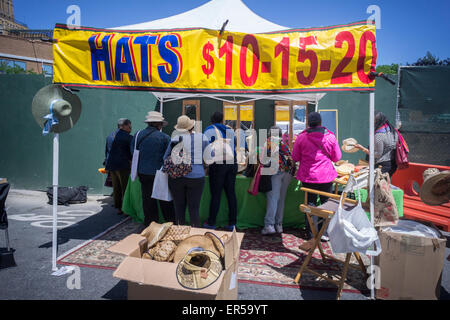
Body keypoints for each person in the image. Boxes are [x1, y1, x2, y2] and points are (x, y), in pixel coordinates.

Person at [292, 112, 341, 251]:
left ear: (308, 123)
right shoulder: (330, 137)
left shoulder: (301, 137)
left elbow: (295, 157)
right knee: (327, 204)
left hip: (308, 176)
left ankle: (311, 233)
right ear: (320, 123)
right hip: (326, 176)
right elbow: (337, 157)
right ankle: (324, 233)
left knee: (310, 204)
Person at [131, 111, 175, 226]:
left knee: (147, 199)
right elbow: (169, 156)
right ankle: (169, 223)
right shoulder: (164, 137)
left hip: (142, 171)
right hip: (159, 171)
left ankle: (150, 223)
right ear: (158, 124)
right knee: (164, 199)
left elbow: (132, 151)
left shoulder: (137, 135)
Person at [164, 115, 209, 227]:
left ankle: (180, 234)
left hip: (177, 176)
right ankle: (195, 235)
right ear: (192, 126)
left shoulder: (174, 139)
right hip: (197, 176)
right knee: (194, 209)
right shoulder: (202, 137)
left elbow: (165, 157)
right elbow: (209, 157)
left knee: (179, 208)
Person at [203, 111, 238, 231]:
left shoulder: (208, 130)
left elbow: (205, 148)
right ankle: (232, 223)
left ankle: (211, 222)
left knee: (216, 194)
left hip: (218, 165)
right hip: (232, 163)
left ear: (211, 119)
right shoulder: (230, 131)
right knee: (231, 194)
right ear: (222, 119)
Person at [261, 126, 295, 235]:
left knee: (273, 198)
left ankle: (269, 225)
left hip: (276, 172)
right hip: (288, 173)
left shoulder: (269, 142)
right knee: (281, 199)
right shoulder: (285, 143)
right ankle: (279, 224)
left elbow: (263, 160)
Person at [355, 112, 399, 177]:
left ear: (377, 121)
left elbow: (377, 155)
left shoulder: (378, 135)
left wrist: (362, 148)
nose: (371, 122)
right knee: (385, 185)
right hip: (393, 164)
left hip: (382, 166)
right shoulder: (393, 130)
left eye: (373, 120)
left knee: (377, 186)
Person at [104, 118, 133, 215]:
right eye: (129, 126)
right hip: (123, 165)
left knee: (116, 188)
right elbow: (131, 153)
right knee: (125, 187)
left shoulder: (109, 136)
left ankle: (119, 208)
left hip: (112, 165)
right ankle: (125, 209)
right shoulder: (128, 137)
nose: (131, 128)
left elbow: (107, 152)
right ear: (124, 126)